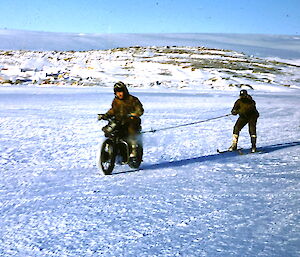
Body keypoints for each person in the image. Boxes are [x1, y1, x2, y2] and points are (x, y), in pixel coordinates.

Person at [98, 81, 144, 158]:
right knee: (109, 130)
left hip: (131, 122)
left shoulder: (133, 99)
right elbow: (113, 110)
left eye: (121, 91)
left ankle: (134, 150)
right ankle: (109, 150)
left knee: (131, 130)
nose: (119, 94)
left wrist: (134, 114)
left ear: (125, 91)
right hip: (119, 121)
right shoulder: (116, 101)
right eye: (117, 92)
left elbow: (140, 110)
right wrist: (105, 115)